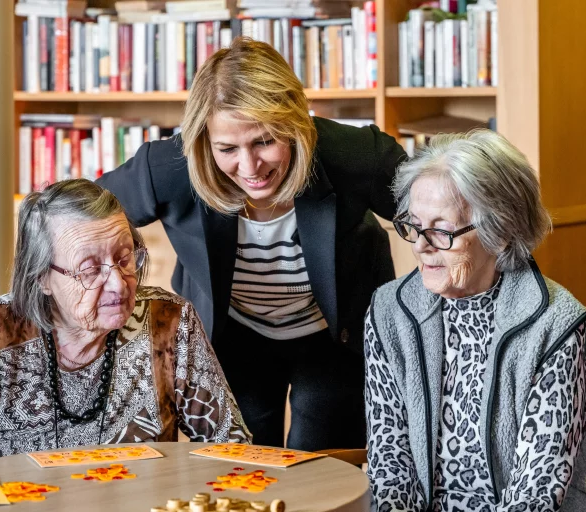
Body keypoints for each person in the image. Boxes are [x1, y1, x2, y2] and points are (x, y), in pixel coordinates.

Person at [98, 37, 407, 451]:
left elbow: (441, 210)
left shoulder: (355, 155)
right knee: (245, 457)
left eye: (264, 141)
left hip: (335, 333)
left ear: (295, 123)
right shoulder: (166, 168)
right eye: (227, 148)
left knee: (320, 450)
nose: (250, 168)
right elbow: (79, 215)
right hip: (234, 332)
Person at [0, 179, 249, 504]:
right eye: (90, 269)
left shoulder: (167, 322)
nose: (119, 284)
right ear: (42, 277)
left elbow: (232, 449)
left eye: (124, 259)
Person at [364, 130, 586, 511]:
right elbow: (390, 464)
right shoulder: (390, 311)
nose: (420, 244)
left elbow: (536, 493)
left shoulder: (554, 324)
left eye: (441, 229)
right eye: (414, 224)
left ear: (499, 232)